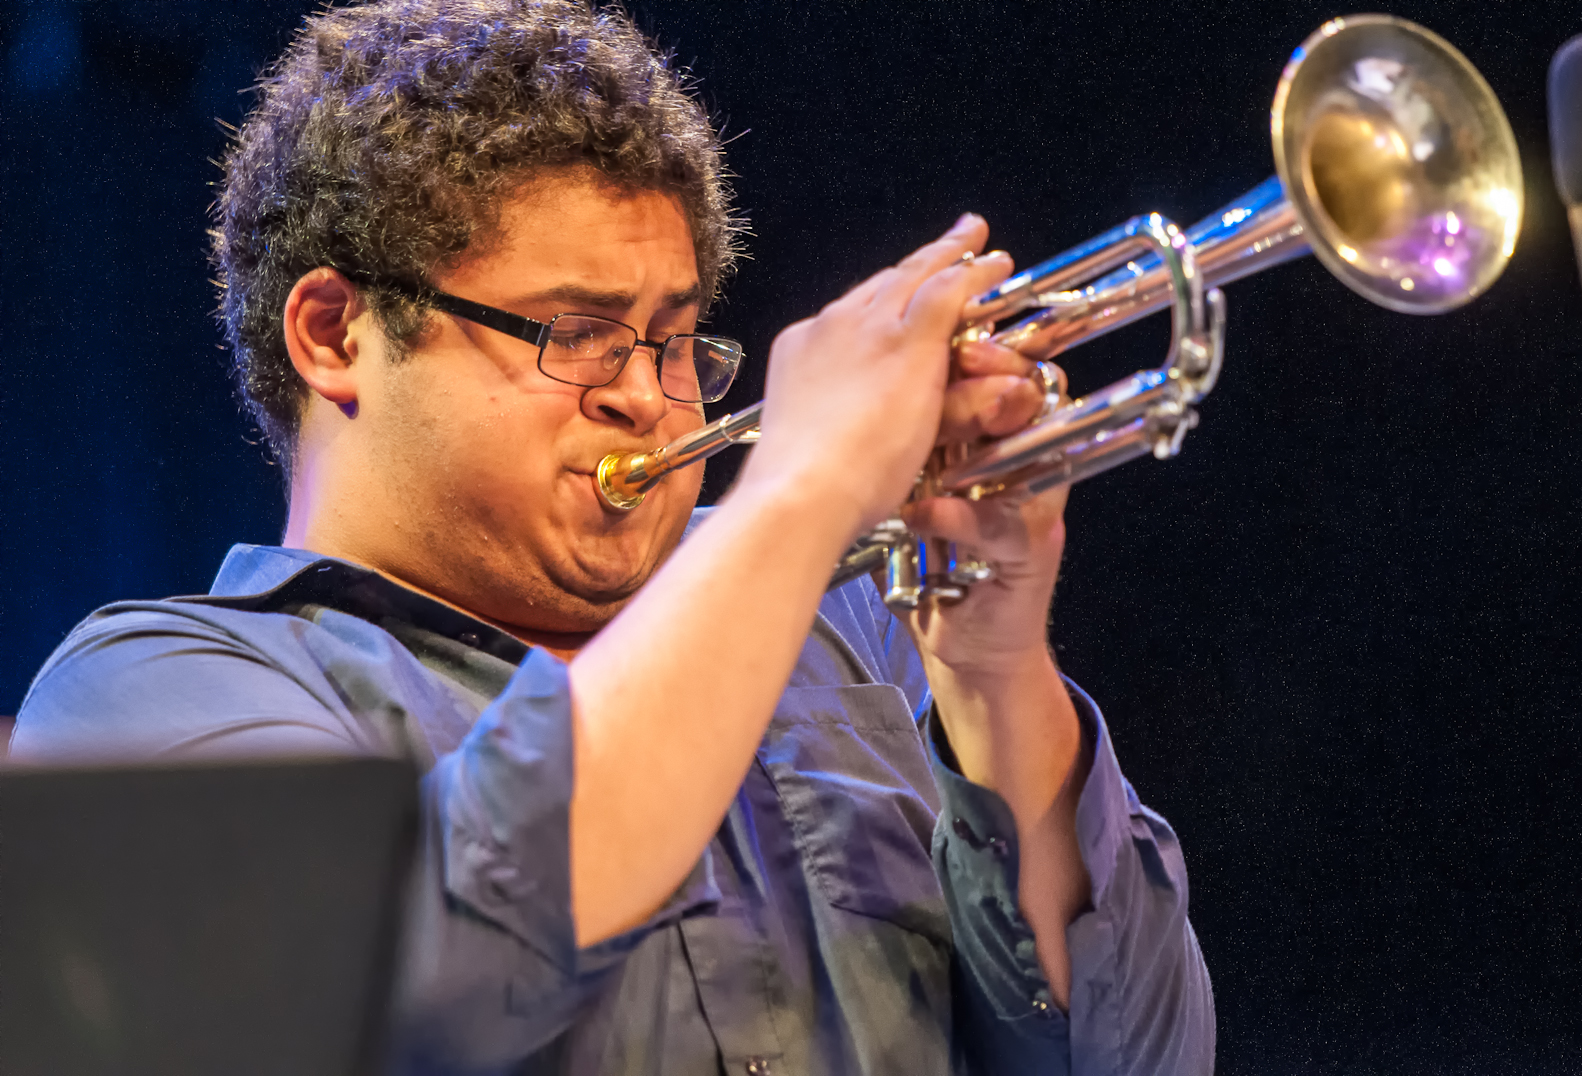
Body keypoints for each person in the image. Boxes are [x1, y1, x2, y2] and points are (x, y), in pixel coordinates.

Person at [10, 1, 1215, 1072]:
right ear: (334, 333)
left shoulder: (852, 638)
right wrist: (799, 490)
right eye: (577, 333)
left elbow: (1141, 1049)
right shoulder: (146, 694)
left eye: (676, 337)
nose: (651, 395)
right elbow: (419, 979)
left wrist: (995, 665)